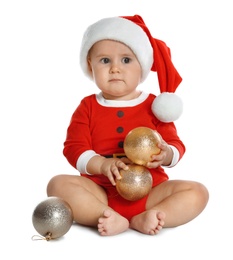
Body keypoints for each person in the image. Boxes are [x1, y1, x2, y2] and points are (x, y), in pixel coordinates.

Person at [47, 14, 209, 236]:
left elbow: (175, 144)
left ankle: (152, 215)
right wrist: (102, 165)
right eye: (105, 60)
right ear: (90, 65)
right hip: (100, 191)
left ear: (142, 65)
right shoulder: (87, 106)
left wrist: (166, 154)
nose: (115, 68)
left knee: (197, 192)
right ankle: (104, 214)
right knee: (57, 185)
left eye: (126, 60)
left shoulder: (156, 106)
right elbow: (74, 148)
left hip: (151, 191)